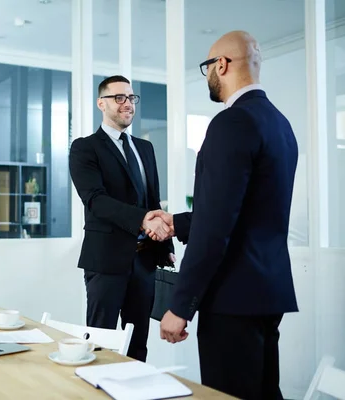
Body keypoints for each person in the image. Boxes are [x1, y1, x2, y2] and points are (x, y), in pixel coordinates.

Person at [146, 31, 299, 399]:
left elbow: (216, 230)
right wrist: (177, 223)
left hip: (232, 297)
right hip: (267, 293)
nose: (209, 76)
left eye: (208, 67)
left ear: (222, 65)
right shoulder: (281, 125)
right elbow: (243, 211)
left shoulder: (231, 123)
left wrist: (180, 306)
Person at [69, 75, 175, 362]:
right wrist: (144, 220)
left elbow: (153, 201)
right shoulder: (85, 147)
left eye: (131, 98)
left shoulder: (145, 148)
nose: (127, 104)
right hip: (105, 260)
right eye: (119, 98)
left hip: (144, 260)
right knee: (100, 342)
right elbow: (96, 200)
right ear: (101, 103)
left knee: (137, 343)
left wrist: (164, 245)